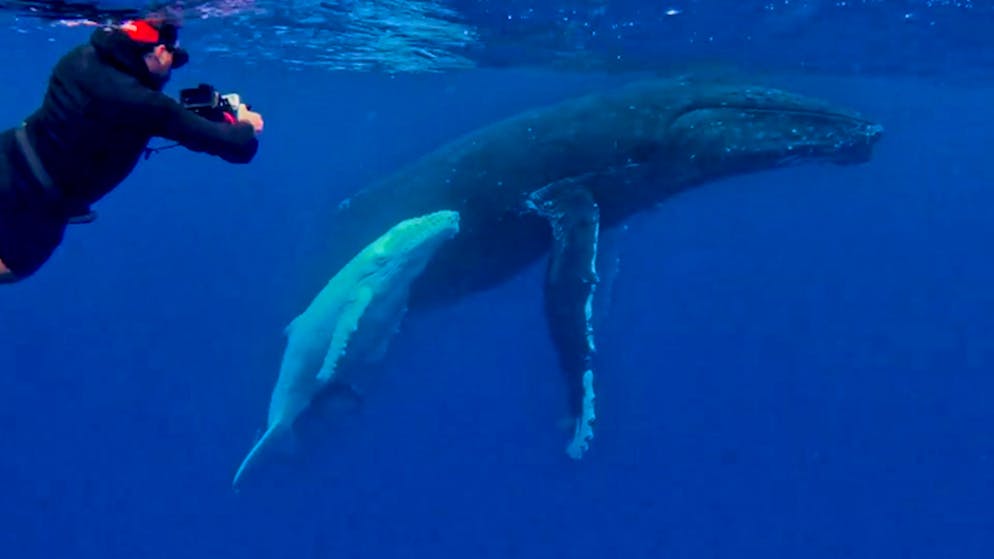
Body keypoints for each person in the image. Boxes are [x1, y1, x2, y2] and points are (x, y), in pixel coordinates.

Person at [0, 18, 264, 284]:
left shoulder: (79, 58)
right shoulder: (146, 106)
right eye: (174, 59)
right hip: (36, 201)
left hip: (9, 151)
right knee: (12, 269)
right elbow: (238, 147)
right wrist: (246, 123)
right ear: (161, 52)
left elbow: (111, 106)